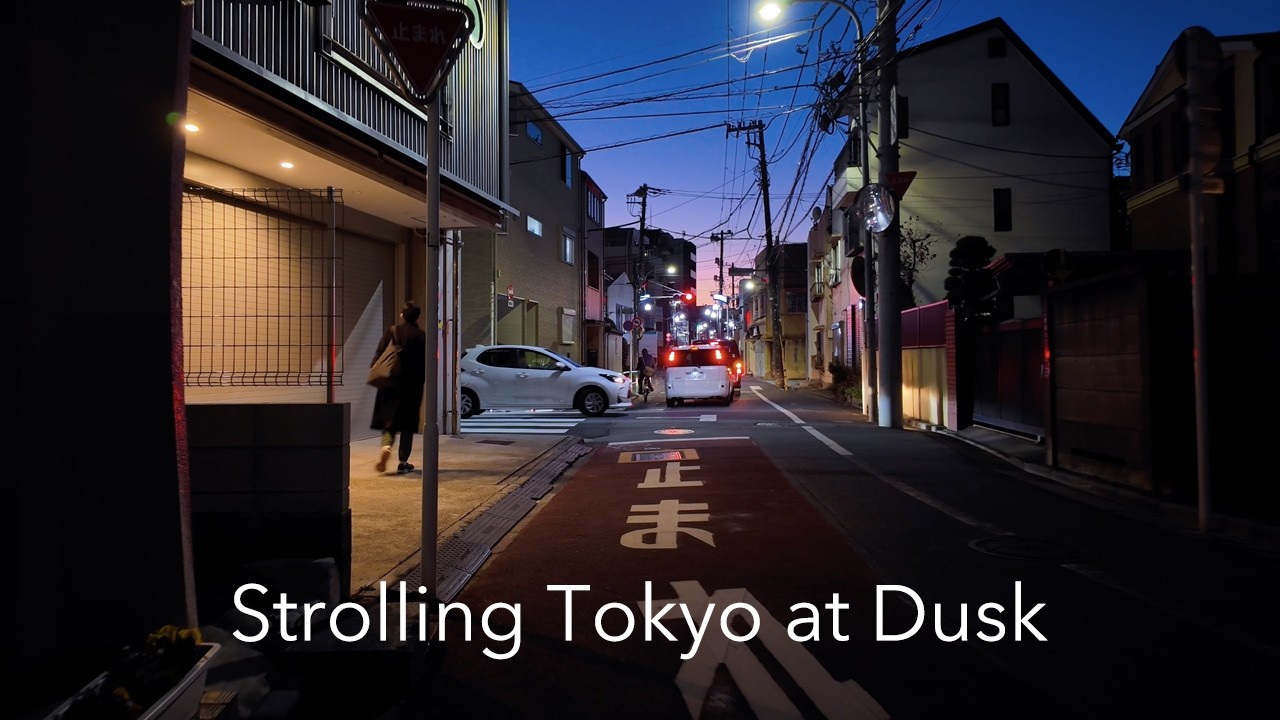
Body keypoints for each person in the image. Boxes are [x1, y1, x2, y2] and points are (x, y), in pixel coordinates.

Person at [370, 301, 427, 474]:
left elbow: (379, 353)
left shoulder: (393, 331)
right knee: (408, 423)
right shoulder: (422, 336)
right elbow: (425, 363)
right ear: (418, 317)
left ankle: (386, 446)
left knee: (390, 420)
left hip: (390, 383)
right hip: (412, 386)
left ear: (402, 315)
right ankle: (403, 462)